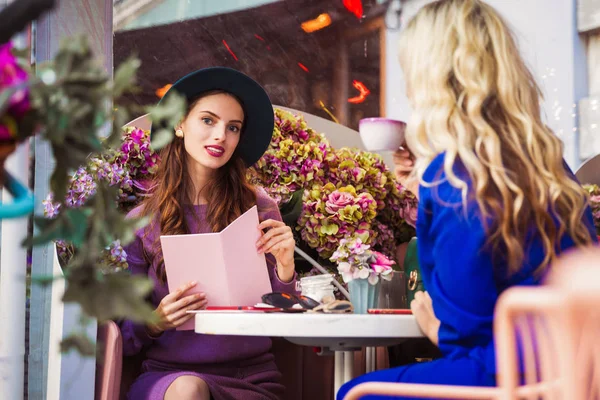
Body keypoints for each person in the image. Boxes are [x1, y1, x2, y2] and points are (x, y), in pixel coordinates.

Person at [338, 0, 597, 398]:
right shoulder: (548, 163)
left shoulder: (452, 179)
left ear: (428, 77)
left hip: (507, 378)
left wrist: (434, 327)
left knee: (354, 392)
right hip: (572, 374)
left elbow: (467, 333)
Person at [120, 67, 298, 400]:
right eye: (208, 120)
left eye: (233, 128)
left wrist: (286, 268)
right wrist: (155, 321)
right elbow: (123, 335)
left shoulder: (259, 207)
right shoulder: (140, 223)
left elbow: (288, 317)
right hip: (170, 377)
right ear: (179, 124)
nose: (221, 136)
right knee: (189, 390)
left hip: (253, 378)